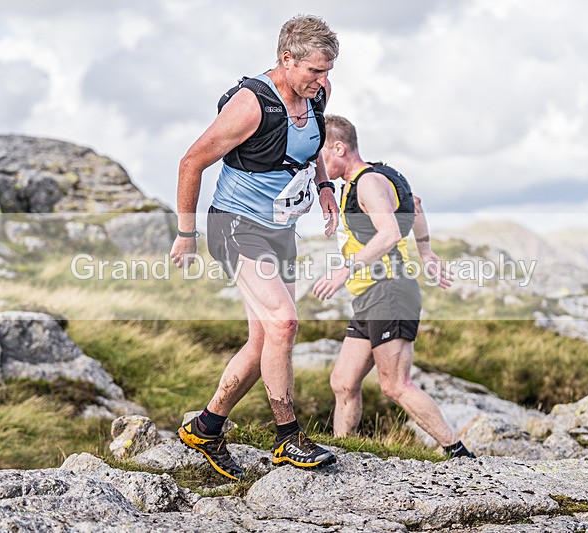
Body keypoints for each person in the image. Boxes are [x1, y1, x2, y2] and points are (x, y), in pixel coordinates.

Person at [169, 15, 340, 480]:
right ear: (286, 59)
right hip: (235, 225)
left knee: (264, 337)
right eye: (314, 72)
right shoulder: (252, 105)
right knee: (284, 322)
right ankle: (288, 437)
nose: (323, 81)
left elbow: (312, 149)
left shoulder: (316, 96)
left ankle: (205, 427)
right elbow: (191, 162)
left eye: (328, 71)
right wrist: (186, 234)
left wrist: (324, 187)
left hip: (279, 229)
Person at [312, 115, 475, 460]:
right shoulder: (374, 177)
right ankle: (343, 452)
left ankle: (458, 453)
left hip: (389, 290)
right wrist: (426, 249)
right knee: (342, 381)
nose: (317, 165)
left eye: (320, 153)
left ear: (339, 148)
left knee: (395, 385)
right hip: (370, 296)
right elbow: (414, 204)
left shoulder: (368, 183)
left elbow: (388, 233)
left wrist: (345, 270)